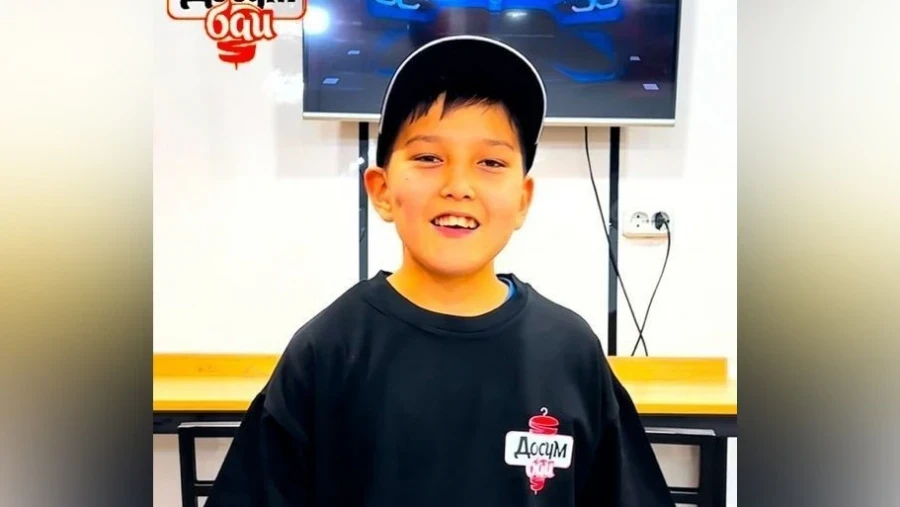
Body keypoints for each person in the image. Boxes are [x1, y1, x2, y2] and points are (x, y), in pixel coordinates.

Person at [205, 35, 674, 507]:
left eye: (491, 162)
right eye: (429, 158)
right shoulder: (329, 351)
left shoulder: (570, 351)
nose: (458, 186)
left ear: (523, 199)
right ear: (382, 190)